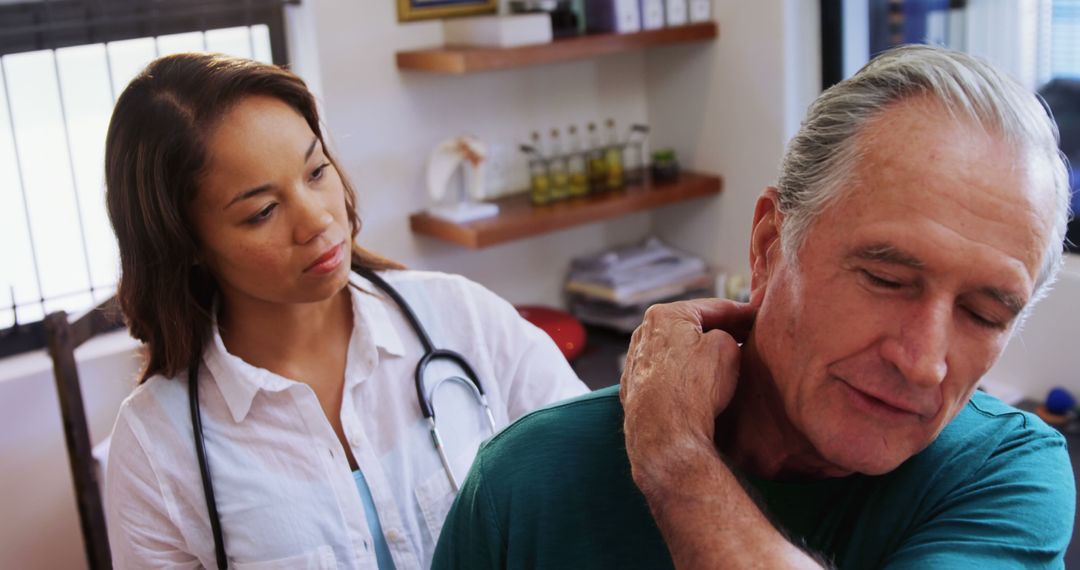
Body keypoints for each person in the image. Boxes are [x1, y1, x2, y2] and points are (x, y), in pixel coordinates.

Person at [431, 45, 1076, 569]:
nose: (923, 363)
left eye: (984, 315)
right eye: (885, 279)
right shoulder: (528, 484)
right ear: (769, 247)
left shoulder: (1005, 478)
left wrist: (675, 458)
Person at [102, 52, 587, 569]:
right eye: (262, 211)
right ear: (185, 241)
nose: (317, 218)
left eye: (316, 171)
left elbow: (590, 482)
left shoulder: (461, 317)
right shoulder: (156, 447)